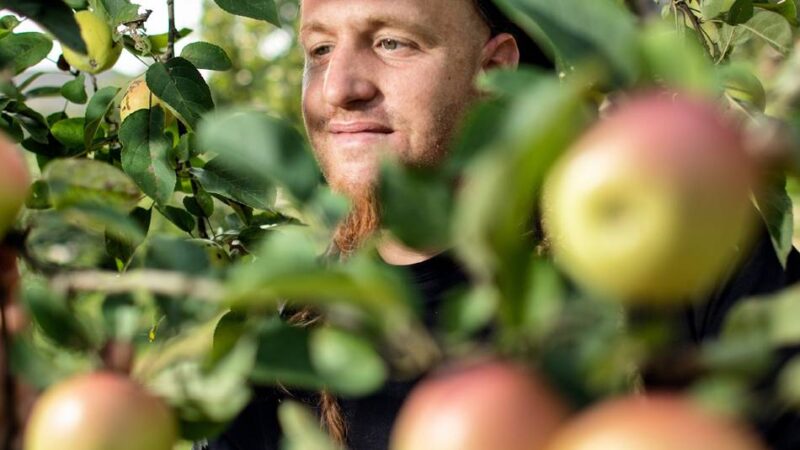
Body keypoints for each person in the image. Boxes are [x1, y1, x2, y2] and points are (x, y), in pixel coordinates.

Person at [197, 0, 800, 449]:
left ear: (495, 73)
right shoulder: (291, 349)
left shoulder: (678, 258)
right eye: (319, 50)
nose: (338, 89)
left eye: (391, 43)